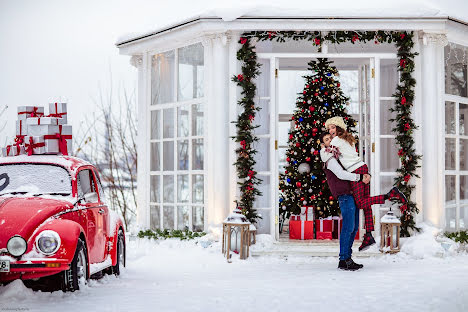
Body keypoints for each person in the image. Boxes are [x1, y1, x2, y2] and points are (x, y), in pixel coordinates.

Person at [321, 116, 408, 251]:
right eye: (328, 129)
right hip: (362, 167)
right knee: (366, 202)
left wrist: (322, 146)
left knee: (361, 203)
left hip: (356, 170)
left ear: (338, 127)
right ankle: (368, 234)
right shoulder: (348, 139)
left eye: (332, 127)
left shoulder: (336, 141)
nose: (330, 131)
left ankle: (390, 195)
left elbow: (326, 152)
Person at [319, 132, 368, 270]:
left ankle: (347, 257)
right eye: (327, 140)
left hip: (352, 193)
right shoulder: (329, 158)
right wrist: (359, 177)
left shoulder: (339, 154)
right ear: (323, 144)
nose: (331, 140)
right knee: (348, 227)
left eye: (331, 138)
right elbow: (340, 174)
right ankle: (344, 259)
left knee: (354, 226)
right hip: (344, 194)